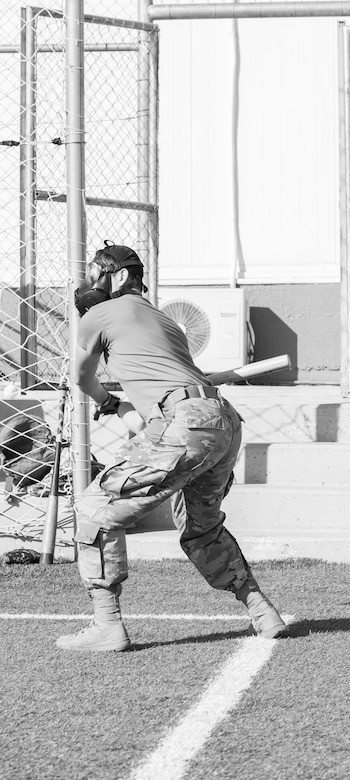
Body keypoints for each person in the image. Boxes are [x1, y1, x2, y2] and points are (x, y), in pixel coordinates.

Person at [56, 241, 286, 652]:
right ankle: (262, 611)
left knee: (93, 509)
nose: (90, 281)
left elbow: (80, 376)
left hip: (184, 424)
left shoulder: (99, 314)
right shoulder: (162, 321)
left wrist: (107, 402)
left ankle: (106, 626)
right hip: (220, 420)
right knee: (201, 527)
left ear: (121, 276)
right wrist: (131, 411)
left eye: (96, 272)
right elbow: (158, 408)